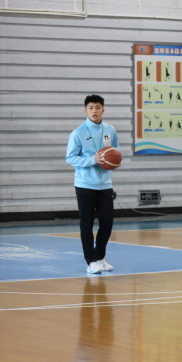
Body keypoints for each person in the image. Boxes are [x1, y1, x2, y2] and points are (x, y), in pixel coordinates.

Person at [66, 94, 120, 275]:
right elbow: (70, 158)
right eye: (91, 108)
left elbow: (115, 150)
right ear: (85, 111)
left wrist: (114, 161)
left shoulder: (110, 130)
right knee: (87, 224)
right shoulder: (77, 133)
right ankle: (91, 261)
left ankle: (100, 257)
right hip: (85, 185)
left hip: (105, 184)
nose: (94, 111)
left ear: (103, 110)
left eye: (97, 107)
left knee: (107, 223)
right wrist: (92, 160)